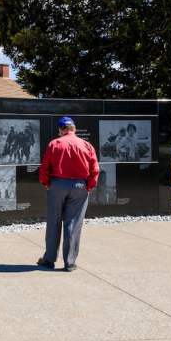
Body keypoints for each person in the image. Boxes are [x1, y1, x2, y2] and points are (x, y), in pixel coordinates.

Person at [37, 116, 99, 271]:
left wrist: (46, 183)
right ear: (74, 128)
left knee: (53, 222)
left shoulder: (55, 143)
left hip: (57, 184)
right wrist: (89, 186)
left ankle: (49, 259)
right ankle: (69, 262)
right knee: (73, 223)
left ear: (61, 129)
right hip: (79, 185)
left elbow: (45, 167)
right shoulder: (87, 145)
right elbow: (95, 169)